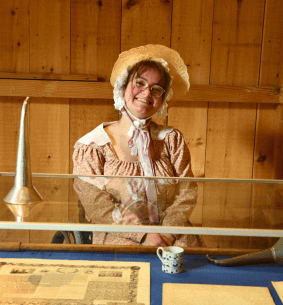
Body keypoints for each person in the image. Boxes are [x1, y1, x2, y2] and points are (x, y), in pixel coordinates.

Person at [72, 44, 202, 247]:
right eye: (139, 83)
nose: (147, 93)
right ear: (123, 87)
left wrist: (166, 234)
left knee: (184, 259)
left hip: (170, 231)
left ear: (163, 98)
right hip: (118, 232)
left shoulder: (171, 140)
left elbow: (187, 192)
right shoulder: (92, 145)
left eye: (156, 89)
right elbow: (95, 205)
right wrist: (142, 236)